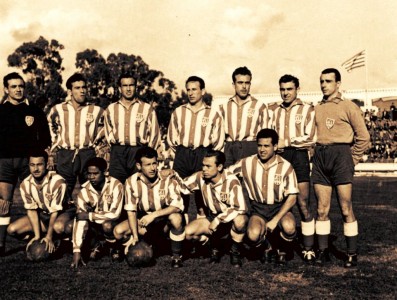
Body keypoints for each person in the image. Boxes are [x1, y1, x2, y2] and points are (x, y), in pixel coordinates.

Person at [312, 68, 370, 268]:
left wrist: (351, 160)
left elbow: (364, 137)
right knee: (321, 209)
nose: (324, 85)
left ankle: (351, 253)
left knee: (346, 208)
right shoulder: (317, 108)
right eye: (322, 81)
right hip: (321, 158)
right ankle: (323, 251)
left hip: (341, 157)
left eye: (328, 81)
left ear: (338, 84)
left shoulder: (349, 106)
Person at [228, 129, 299, 265]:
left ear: (276, 147)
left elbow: (292, 197)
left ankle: (282, 249)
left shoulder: (286, 167)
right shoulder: (247, 163)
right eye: (259, 145)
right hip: (258, 209)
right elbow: (225, 174)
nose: (262, 149)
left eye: (266, 146)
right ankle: (268, 247)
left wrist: (275, 219)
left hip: (279, 208)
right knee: (253, 235)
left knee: (289, 227)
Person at [47, 73, 105, 238]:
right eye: (77, 88)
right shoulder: (58, 109)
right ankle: (61, 233)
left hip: (88, 153)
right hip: (66, 154)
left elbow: (106, 130)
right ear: (70, 91)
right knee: (62, 193)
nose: (82, 91)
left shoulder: (96, 110)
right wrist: (53, 149)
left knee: (92, 192)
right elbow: (49, 128)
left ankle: (94, 235)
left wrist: (99, 146)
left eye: (84, 87)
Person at [0, 72, 51, 256]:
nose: (18, 89)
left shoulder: (34, 110)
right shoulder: (1, 111)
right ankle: (1, 244)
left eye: (21, 86)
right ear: (6, 89)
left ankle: (39, 234)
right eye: (13, 86)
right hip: (4, 162)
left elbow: (46, 138)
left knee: (35, 200)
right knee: (4, 203)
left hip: (28, 162)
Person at [113, 147, 185, 268]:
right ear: (139, 166)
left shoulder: (167, 179)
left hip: (163, 222)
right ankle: (140, 245)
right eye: (147, 165)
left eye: (154, 163)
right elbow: (131, 211)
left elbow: (177, 206)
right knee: (118, 232)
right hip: (144, 222)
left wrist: (154, 215)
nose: (152, 168)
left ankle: (176, 255)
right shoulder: (131, 182)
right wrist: (135, 236)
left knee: (176, 218)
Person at [272, 74, 316, 264]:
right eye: (282, 89)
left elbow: (311, 137)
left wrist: (287, 142)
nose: (285, 93)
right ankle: (281, 247)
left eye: (289, 89)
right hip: (280, 158)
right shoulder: (274, 111)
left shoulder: (307, 109)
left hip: (298, 157)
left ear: (297, 88)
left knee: (303, 203)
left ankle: (308, 248)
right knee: (280, 203)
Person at [167, 76, 225, 218]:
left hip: (202, 154)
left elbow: (218, 141)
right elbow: (171, 137)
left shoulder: (213, 114)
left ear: (202, 91)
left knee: (202, 194)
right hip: (182, 154)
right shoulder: (178, 112)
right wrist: (179, 154)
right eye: (188, 90)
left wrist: (208, 157)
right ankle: (182, 227)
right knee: (179, 192)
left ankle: (202, 229)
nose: (191, 93)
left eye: (194, 89)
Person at [182, 150, 248, 267]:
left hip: (230, 219)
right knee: (187, 234)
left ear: (220, 167)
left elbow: (239, 208)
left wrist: (217, 220)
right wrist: (169, 174)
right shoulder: (200, 177)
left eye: (208, 166)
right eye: (203, 165)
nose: (204, 169)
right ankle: (211, 244)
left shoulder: (231, 181)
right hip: (211, 216)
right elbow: (182, 186)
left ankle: (235, 251)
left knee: (240, 221)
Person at [104, 72, 161, 183]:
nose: (128, 89)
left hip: (138, 151)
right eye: (125, 86)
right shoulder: (111, 109)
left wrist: (147, 156)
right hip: (118, 153)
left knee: (137, 187)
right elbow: (108, 132)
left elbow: (154, 134)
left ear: (136, 87)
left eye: (131, 85)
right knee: (116, 186)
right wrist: (115, 149)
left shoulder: (146, 108)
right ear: (120, 88)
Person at [7, 150, 67, 254]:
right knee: (12, 229)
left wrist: (49, 236)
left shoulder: (58, 181)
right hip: (44, 215)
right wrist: (37, 236)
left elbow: (55, 211)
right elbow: (31, 210)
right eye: (32, 165)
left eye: (39, 165)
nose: (35, 169)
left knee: (59, 227)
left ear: (47, 165)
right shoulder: (25, 184)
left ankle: (64, 242)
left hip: (63, 214)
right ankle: (42, 237)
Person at [71, 157, 123, 268]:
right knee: (83, 221)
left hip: (115, 223)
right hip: (95, 226)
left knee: (107, 225)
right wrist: (76, 251)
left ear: (105, 172)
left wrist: (90, 215)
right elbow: (80, 218)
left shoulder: (116, 185)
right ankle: (97, 244)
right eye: (89, 174)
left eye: (95, 173)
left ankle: (114, 247)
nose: (91, 177)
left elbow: (115, 214)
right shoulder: (84, 191)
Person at [220, 66, 273, 167]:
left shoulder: (260, 106)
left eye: (247, 83)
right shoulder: (224, 107)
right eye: (240, 83)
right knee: (228, 179)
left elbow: (266, 134)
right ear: (233, 84)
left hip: (250, 147)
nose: (244, 86)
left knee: (249, 180)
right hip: (229, 148)